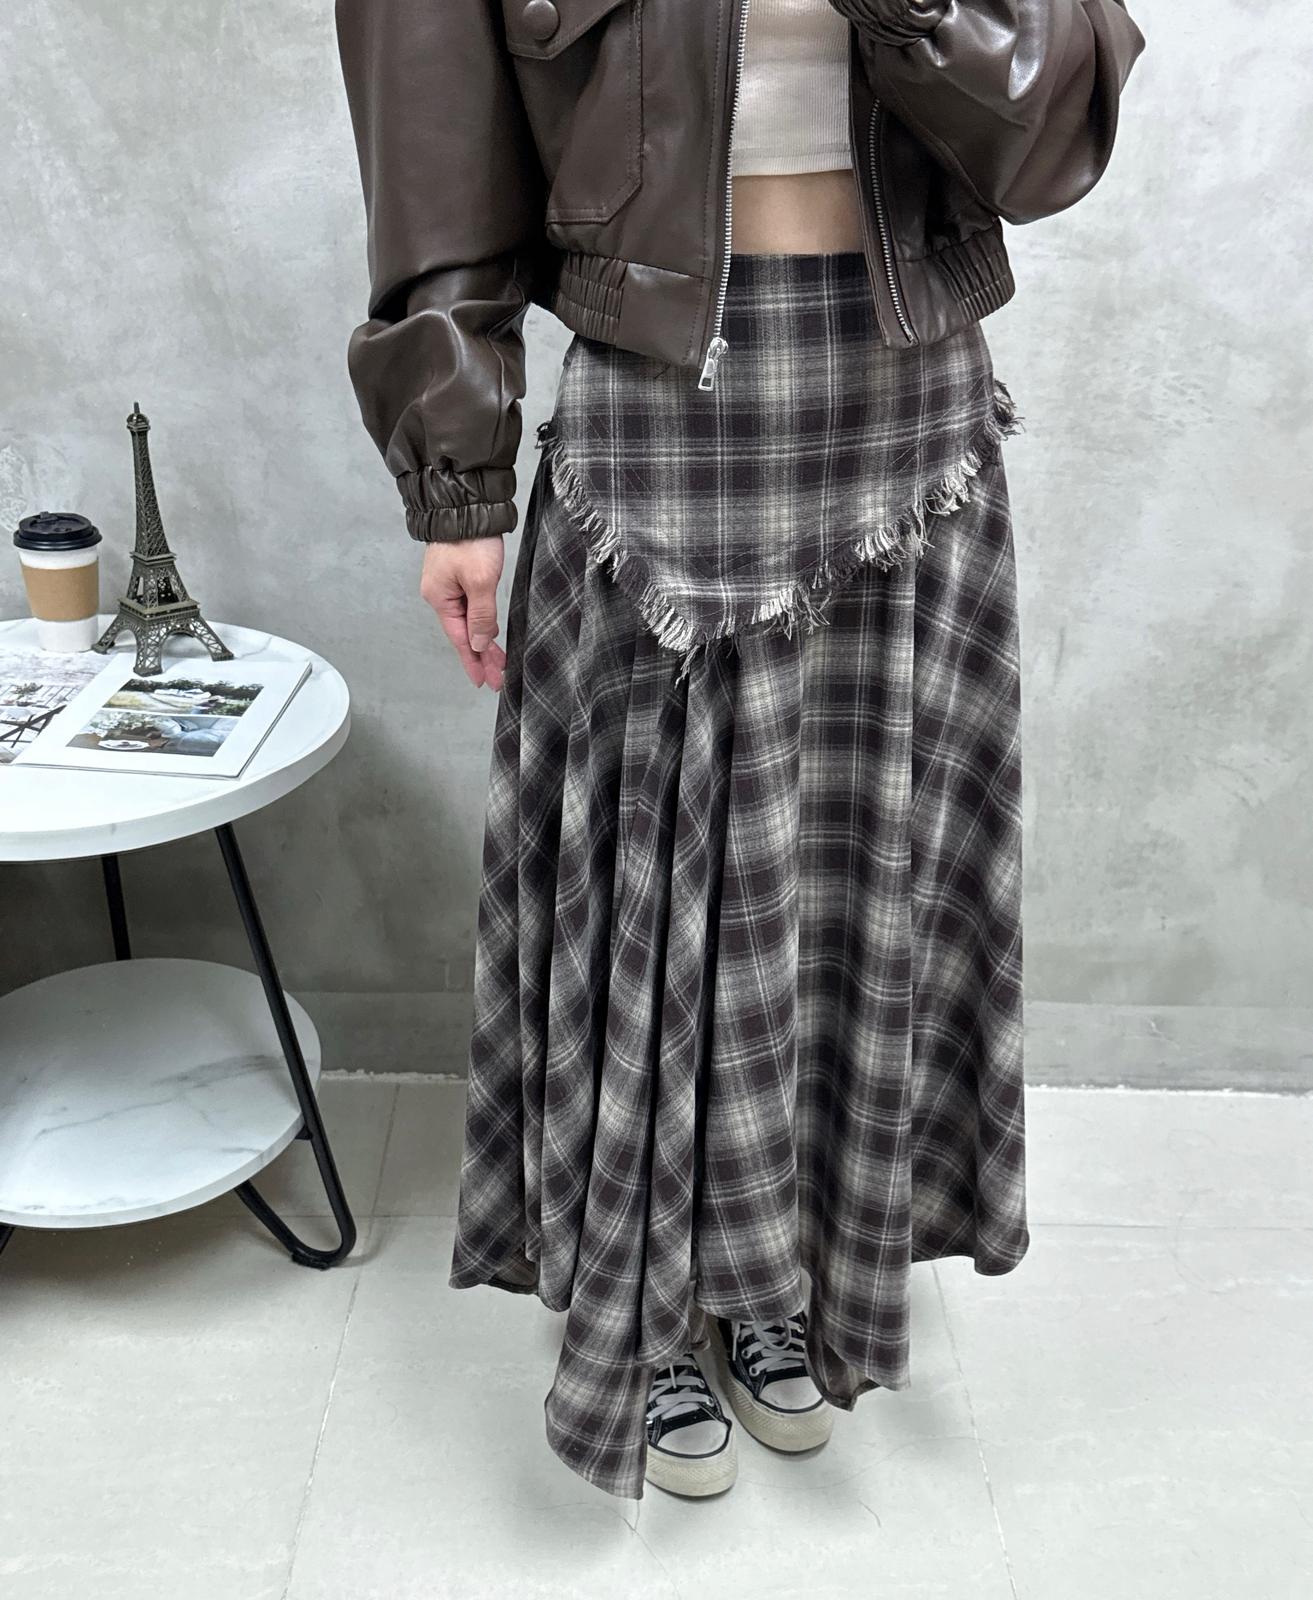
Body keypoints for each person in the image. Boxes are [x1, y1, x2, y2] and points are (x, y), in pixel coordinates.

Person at [335, 0, 1146, 1501]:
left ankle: (775, 1271)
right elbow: (436, 158)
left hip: (905, 393)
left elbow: (1046, 140)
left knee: (838, 876)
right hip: (659, 394)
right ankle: (645, 1301)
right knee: (653, 876)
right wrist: (458, 485)